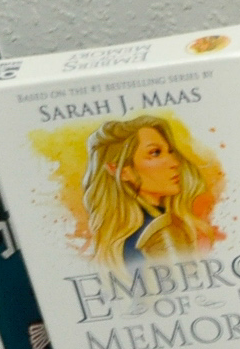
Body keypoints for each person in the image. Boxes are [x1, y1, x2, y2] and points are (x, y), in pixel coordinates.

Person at [81, 112, 217, 269]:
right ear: (121, 170)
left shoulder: (125, 234)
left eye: (170, 152)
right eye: (155, 153)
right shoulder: (161, 232)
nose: (175, 163)